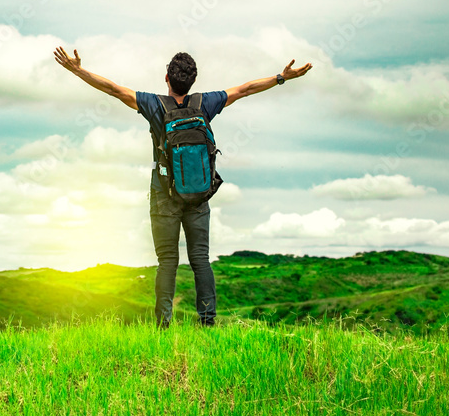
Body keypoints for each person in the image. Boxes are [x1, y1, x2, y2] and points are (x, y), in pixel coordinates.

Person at [53, 46, 312, 327]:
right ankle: (207, 322)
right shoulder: (205, 104)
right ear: (194, 80)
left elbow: (114, 90)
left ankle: (163, 325)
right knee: (200, 259)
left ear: (166, 78)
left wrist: (78, 70)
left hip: (163, 194)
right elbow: (245, 89)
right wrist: (281, 77)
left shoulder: (154, 105)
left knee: (167, 261)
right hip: (199, 194)